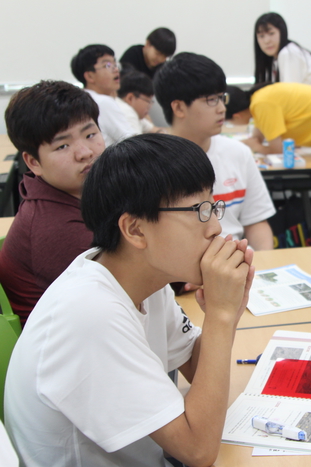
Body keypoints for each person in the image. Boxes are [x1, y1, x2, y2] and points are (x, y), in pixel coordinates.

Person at [4, 133, 255, 466]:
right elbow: (198, 451)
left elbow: (196, 366)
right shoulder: (90, 313)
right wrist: (220, 317)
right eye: (198, 210)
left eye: (212, 205)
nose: (214, 228)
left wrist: (229, 309)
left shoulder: (142, 277)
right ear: (135, 230)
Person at [0, 81, 104, 326]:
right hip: (70, 352)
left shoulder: (81, 194)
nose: (85, 152)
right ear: (33, 162)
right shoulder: (56, 227)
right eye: (63, 146)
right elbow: (133, 286)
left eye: (90, 135)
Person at [154, 52, 275, 251]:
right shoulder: (153, 162)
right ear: (179, 107)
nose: (221, 109)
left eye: (221, 98)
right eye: (211, 100)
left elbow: (256, 221)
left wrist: (265, 263)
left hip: (236, 266)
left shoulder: (238, 153)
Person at [227, 82, 311, 185]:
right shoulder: (257, 100)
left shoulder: (261, 104)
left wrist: (257, 147)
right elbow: (257, 137)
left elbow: (278, 151)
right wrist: (248, 144)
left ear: (237, 116)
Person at [253, 12, 311, 94]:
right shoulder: (275, 60)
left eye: (271, 33)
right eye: (261, 36)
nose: (266, 41)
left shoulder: (288, 53)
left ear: (282, 32)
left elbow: (290, 96)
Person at [71, 44, 137, 146]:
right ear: (89, 76)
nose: (116, 70)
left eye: (115, 65)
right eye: (108, 65)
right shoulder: (102, 102)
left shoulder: (79, 100)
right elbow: (133, 143)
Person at [116, 70, 165, 134]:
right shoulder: (127, 112)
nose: (150, 106)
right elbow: (136, 143)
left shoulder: (136, 115)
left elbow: (155, 130)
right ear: (130, 98)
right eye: (148, 101)